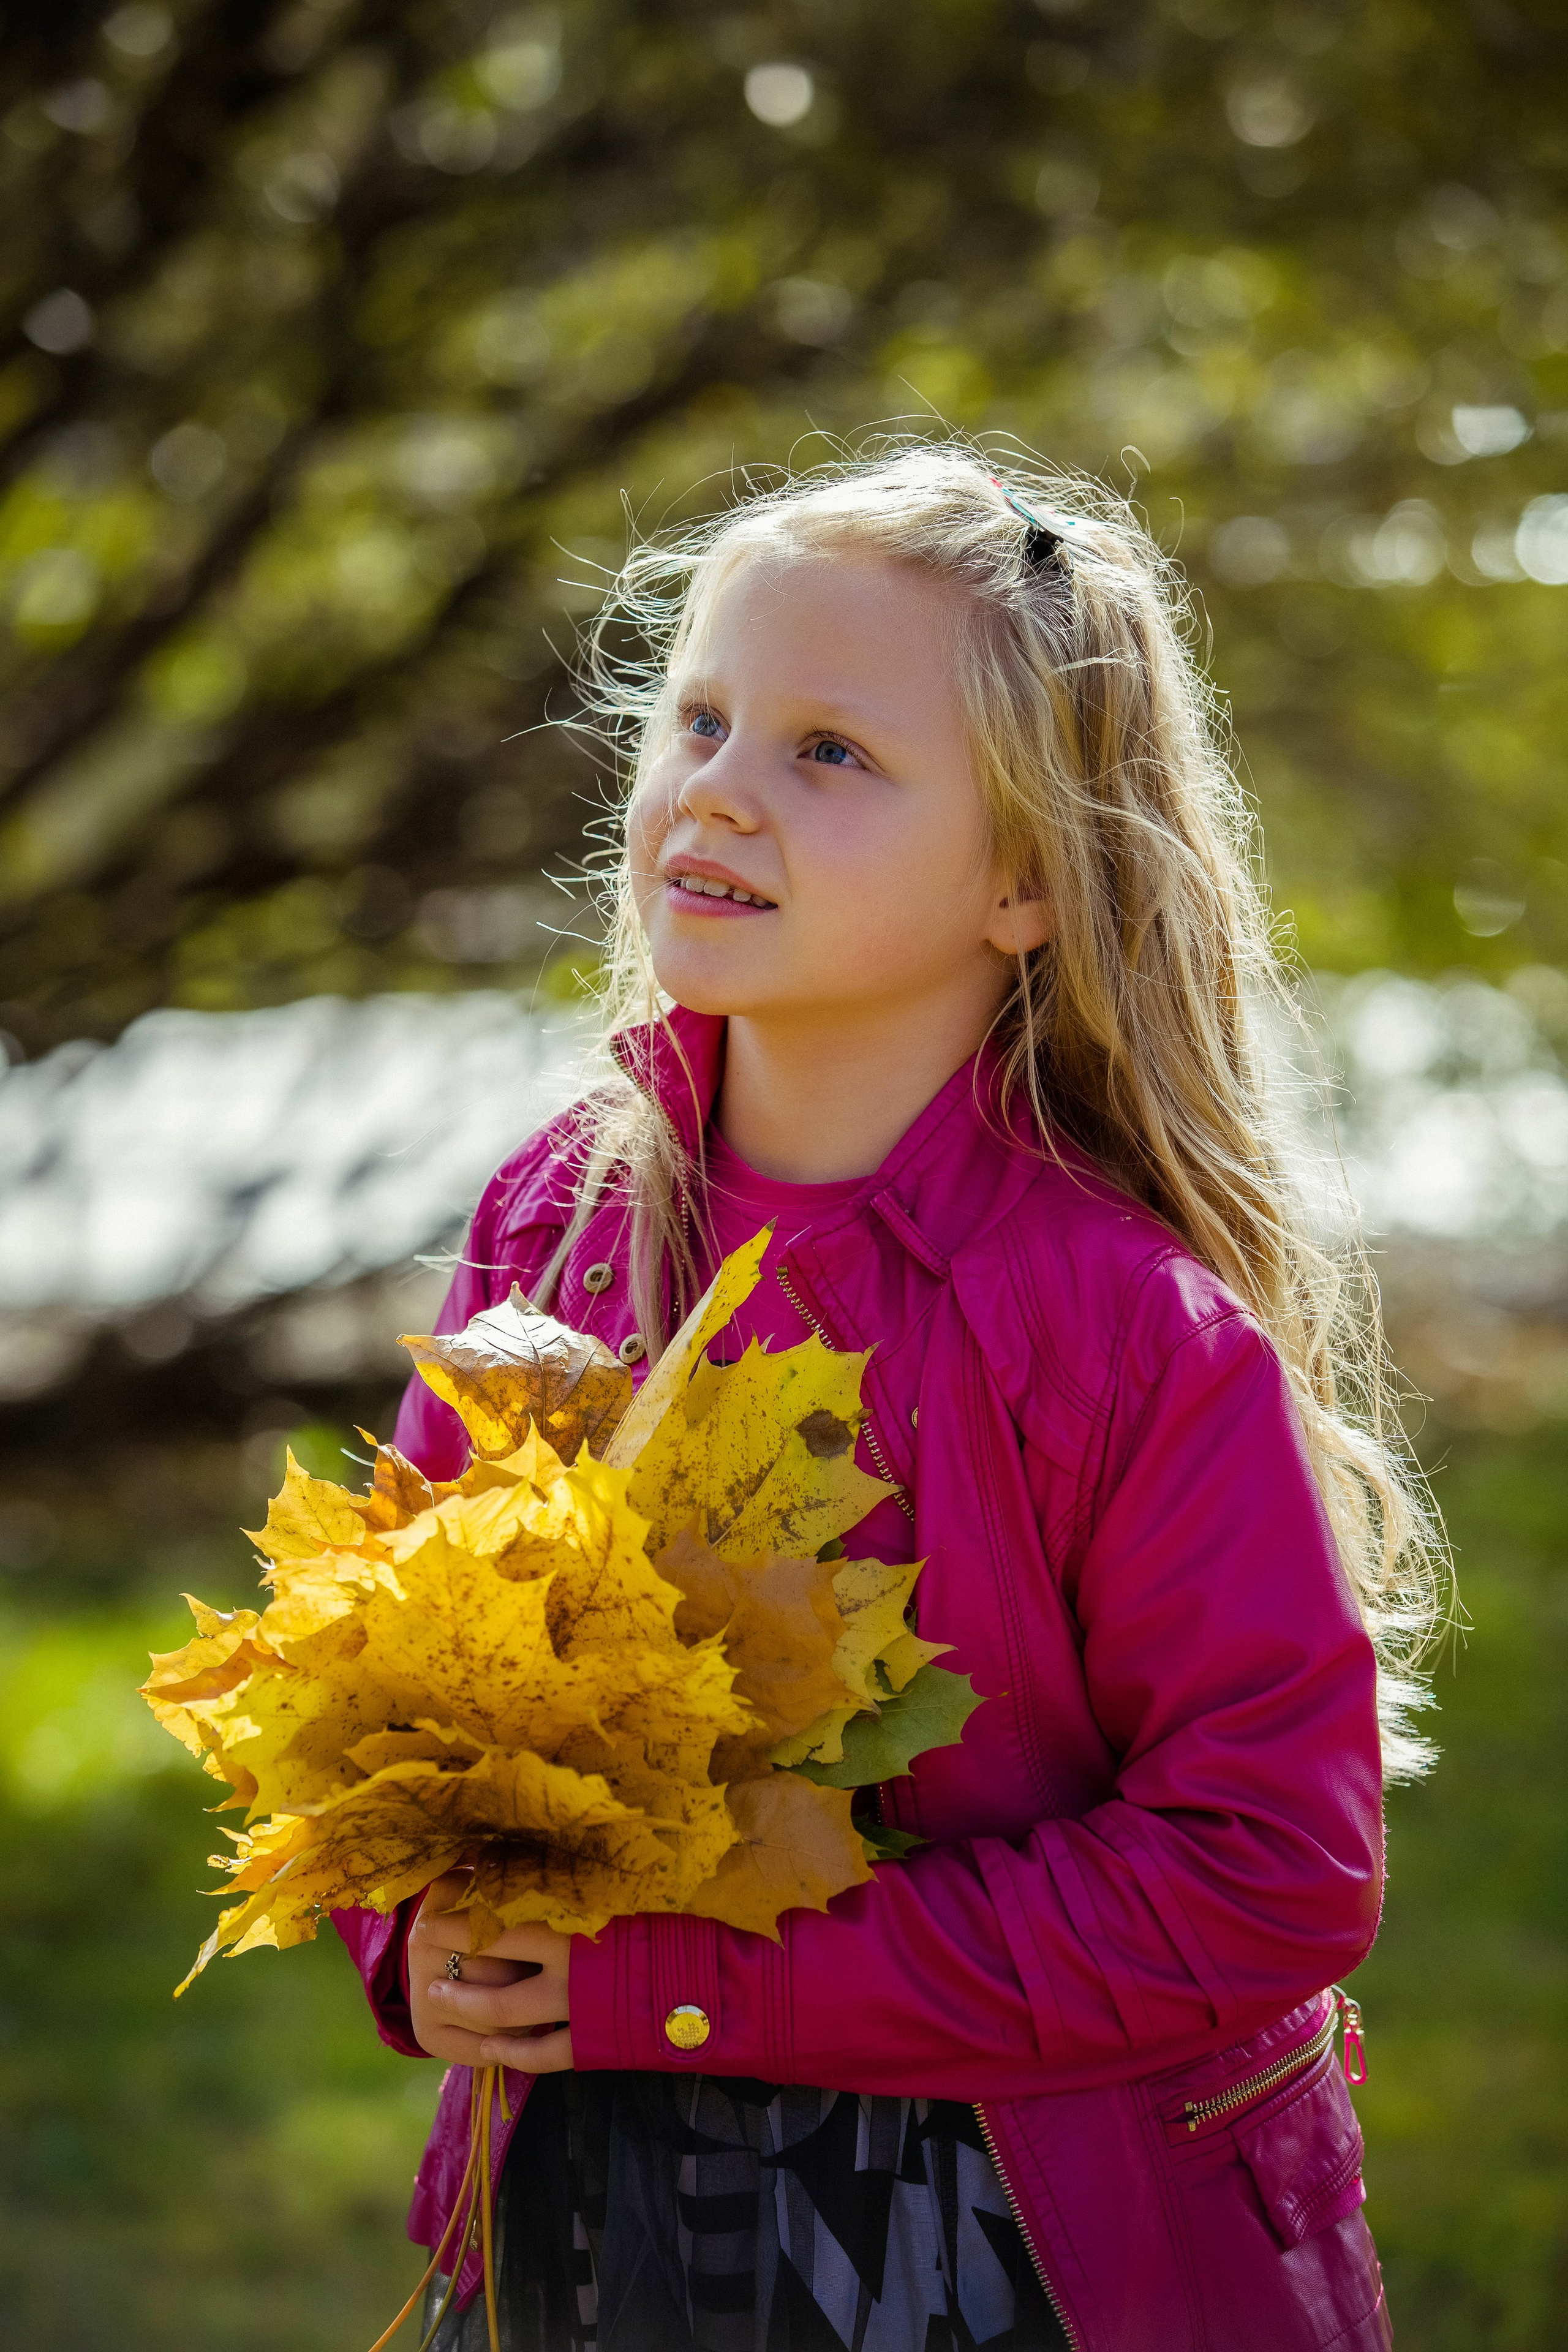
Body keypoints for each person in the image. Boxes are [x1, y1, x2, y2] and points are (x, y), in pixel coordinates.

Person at [335, 443, 1441, 2351]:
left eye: (829, 752)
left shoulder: (1118, 1330)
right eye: (702, 719)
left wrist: (701, 1978)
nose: (719, 790)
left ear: (1025, 877)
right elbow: (396, 1699)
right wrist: (417, 1941)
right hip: (586, 2221)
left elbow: (1273, 1866)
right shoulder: (562, 1225)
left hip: (1030, 2239)